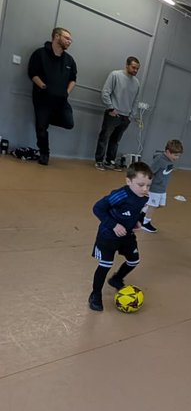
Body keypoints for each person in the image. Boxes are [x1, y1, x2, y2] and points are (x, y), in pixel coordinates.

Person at [88, 161, 153, 311]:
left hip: (127, 235)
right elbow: (97, 208)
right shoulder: (120, 195)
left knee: (134, 261)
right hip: (108, 235)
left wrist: (138, 222)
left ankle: (116, 279)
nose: (145, 189)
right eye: (141, 184)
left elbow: (141, 211)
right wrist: (114, 225)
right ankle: (95, 294)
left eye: (148, 185)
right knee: (105, 265)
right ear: (128, 181)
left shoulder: (144, 197)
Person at [27, 27, 76, 165]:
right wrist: (43, 86)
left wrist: (67, 92)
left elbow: (73, 79)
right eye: (67, 38)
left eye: (70, 39)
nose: (69, 41)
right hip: (43, 98)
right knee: (41, 129)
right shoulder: (40, 54)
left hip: (61, 100)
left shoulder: (69, 60)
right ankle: (44, 154)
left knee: (69, 123)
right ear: (56, 36)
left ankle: (45, 120)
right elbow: (32, 73)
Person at [94, 57, 141, 170]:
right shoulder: (115, 75)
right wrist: (111, 108)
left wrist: (131, 116)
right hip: (113, 114)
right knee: (104, 137)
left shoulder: (136, 83)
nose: (135, 70)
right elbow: (106, 92)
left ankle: (110, 161)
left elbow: (136, 100)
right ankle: (99, 161)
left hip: (126, 117)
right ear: (127, 65)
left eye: (137, 69)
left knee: (116, 140)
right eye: (133, 67)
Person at [141, 139, 184, 233]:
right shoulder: (160, 160)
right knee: (152, 206)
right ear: (168, 152)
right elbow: (150, 172)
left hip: (162, 188)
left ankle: (142, 212)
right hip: (155, 188)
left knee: (160, 205)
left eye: (178, 155)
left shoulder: (169, 159)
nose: (177, 158)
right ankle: (145, 223)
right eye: (175, 155)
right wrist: (146, 186)